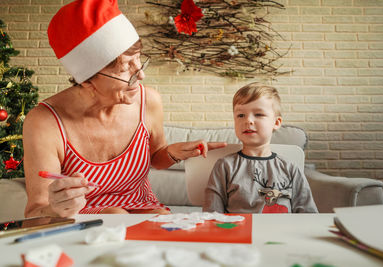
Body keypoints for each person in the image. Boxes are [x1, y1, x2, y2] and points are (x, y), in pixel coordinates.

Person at [23, 0, 225, 218]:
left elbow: (156, 157)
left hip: (144, 208)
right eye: (124, 68)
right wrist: (56, 208)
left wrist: (175, 153)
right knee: (116, 214)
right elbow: (35, 213)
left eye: (138, 61)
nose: (141, 75)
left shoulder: (149, 100)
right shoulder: (45, 122)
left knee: (166, 222)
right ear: (87, 80)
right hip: (81, 220)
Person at [203, 82, 318, 213]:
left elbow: (308, 214)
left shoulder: (290, 168)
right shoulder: (224, 166)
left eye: (258, 114)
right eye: (241, 115)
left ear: (276, 122)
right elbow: (211, 215)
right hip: (238, 231)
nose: (248, 121)